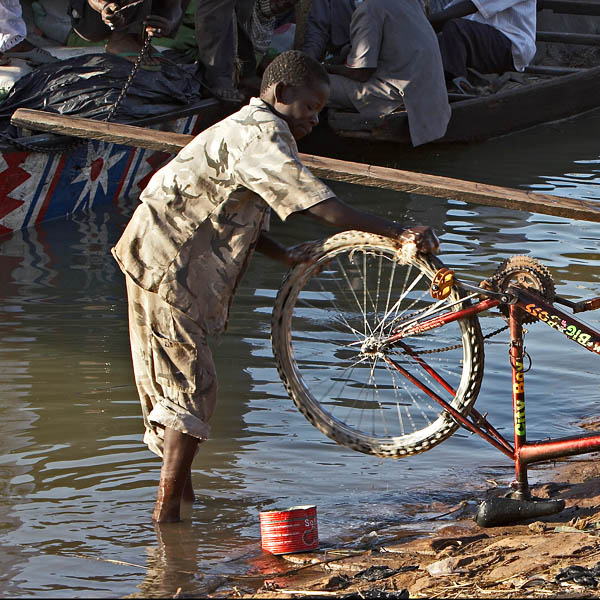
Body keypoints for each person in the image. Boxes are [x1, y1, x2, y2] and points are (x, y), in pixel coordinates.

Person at [112, 50, 440, 522]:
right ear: (281, 94)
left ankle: (182, 508)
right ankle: (169, 524)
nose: (314, 119)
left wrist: (283, 255)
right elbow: (320, 207)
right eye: (310, 107)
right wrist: (398, 231)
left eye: (321, 111)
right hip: (169, 266)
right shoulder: (261, 133)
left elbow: (231, 213)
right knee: (191, 390)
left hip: (165, 260)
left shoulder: (252, 128)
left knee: (182, 389)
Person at [325, 0, 450, 147]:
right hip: (427, 95)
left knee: (312, 81)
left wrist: (325, 68)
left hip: (399, 97)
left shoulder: (370, 8)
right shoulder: (412, 2)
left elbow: (361, 73)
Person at [429, 0, 535, 89]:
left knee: (454, 28)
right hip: (483, 38)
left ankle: (455, 86)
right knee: (440, 39)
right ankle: (468, 83)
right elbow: (451, 9)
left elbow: (472, 5)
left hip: (511, 43)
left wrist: (425, 22)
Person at [76, 0, 183, 68]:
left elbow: (175, 5)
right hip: (91, 17)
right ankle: (120, 39)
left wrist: (169, 22)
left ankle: (138, 39)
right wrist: (104, 6)